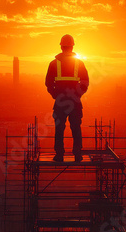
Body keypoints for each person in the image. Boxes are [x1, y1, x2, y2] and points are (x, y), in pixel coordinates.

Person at [45, 34, 89, 162]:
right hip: (75, 102)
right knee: (76, 127)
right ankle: (77, 155)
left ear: (62, 46)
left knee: (59, 129)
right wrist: (77, 95)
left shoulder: (54, 64)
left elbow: (48, 82)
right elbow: (85, 82)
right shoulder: (79, 63)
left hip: (60, 102)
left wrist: (55, 95)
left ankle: (59, 155)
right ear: (72, 47)